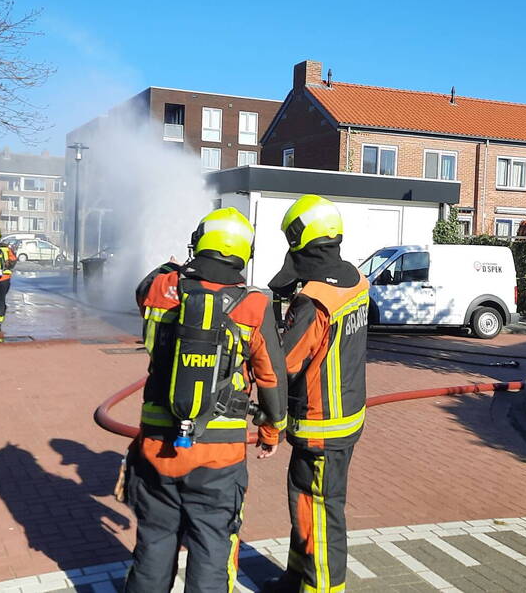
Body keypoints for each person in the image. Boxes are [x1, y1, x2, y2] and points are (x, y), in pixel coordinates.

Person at [123, 207, 287, 593]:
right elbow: (271, 378)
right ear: (243, 253)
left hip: (156, 445)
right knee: (212, 548)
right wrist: (271, 430)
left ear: (199, 243)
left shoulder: (161, 288)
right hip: (220, 454)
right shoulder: (254, 304)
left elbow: (142, 288)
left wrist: (172, 266)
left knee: (154, 544)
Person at [261, 195, 369, 593]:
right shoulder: (355, 279)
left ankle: (322, 588)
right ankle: (297, 577)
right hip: (348, 416)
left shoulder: (314, 301)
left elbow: (284, 362)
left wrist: (273, 319)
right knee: (307, 504)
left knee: (320, 512)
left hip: (320, 424)